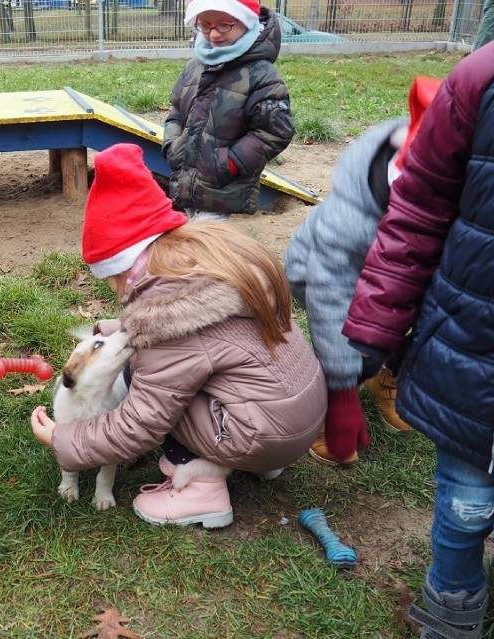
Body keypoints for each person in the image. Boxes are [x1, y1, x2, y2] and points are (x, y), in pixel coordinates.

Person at [343, 2, 494, 634]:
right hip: (473, 350)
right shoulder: (488, 77)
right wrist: (372, 332)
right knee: (462, 504)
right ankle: (450, 605)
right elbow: (417, 211)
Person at [30, 143, 326, 528]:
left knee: (143, 377)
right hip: (297, 415)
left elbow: (142, 423)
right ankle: (263, 464)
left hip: (262, 433)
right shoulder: (206, 261)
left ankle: (200, 488)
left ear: (123, 267)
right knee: (162, 367)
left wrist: (63, 440)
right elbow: (210, 341)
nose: (117, 293)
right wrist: (117, 331)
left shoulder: (164, 318)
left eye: (111, 281)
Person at [284, 76, 442, 467]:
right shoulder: (351, 220)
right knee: (358, 342)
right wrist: (341, 391)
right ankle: (331, 391)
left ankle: (388, 372)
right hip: (329, 279)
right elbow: (329, 297)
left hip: (412, 276)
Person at [163, 0, 294, 217]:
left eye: (224, 24)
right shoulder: (195, 67)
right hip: (187, 178)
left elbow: (274, 132)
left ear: (246, 21)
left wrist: (230, 163)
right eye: (205, 25)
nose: (213, 34)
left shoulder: (260, 74)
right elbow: (176, 112)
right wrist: (172, 146)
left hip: (222, 188)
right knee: (194, 233)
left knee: (207, 244)